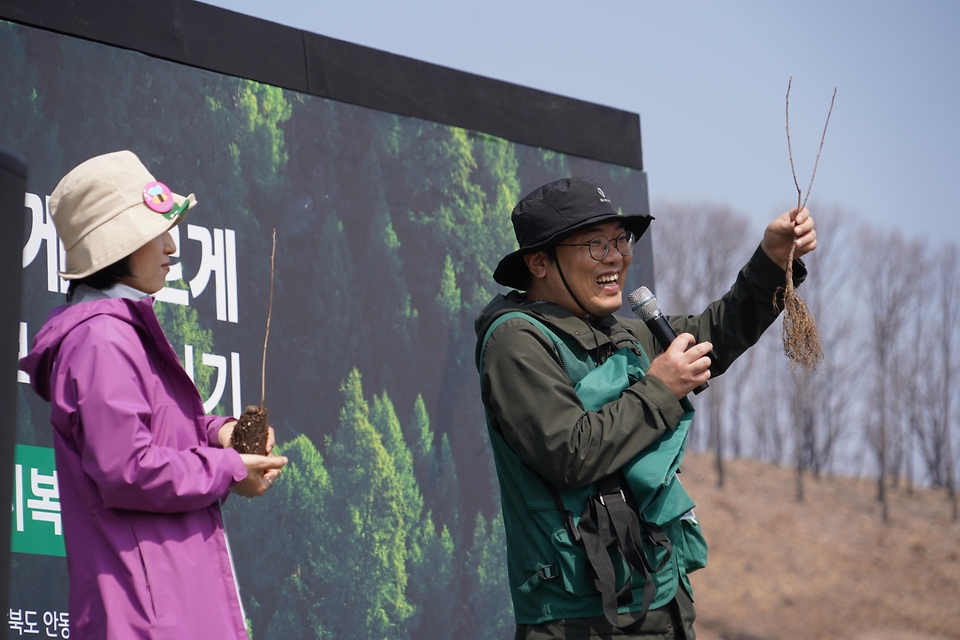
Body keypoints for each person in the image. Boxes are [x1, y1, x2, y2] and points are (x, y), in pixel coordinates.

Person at [474, 177, 816, 639]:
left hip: (661, 605)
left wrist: (774, 262)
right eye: (595, 243)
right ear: (539, 262)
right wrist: (659, 388)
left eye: (620, 239)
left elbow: (714, 331)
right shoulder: (516, 338)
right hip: (577, 620)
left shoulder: (624, 334)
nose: (616, 256)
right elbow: (568, 453)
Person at [19, 150, 288, 639]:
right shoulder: (100, 339)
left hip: (170, 607)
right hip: (146, 618)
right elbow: (127, 468)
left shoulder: (117, 332)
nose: (171, 246)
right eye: (153, 233)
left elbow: (160, 433)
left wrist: (221, 433)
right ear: (115, 249)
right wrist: (229, 469)